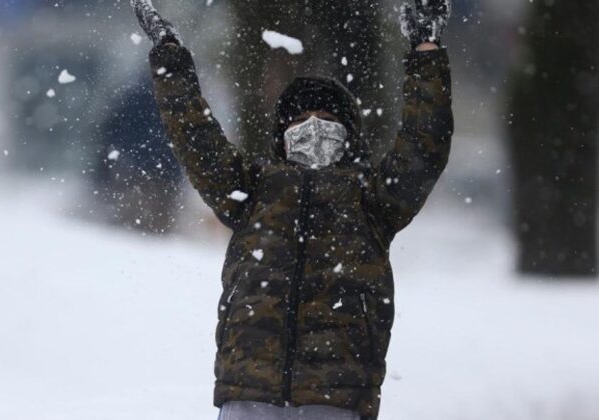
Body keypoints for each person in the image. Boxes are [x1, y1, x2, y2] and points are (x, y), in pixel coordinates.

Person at [130, 1, 453, 419]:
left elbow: (423, 146)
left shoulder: (372, 200)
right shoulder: (252, 190)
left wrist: (426, 52)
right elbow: (197, 139)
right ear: (282, 136)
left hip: (334, 398)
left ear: (350, 135)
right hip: (250, 394)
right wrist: (171, 61)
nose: (314, 126)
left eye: (327, 117)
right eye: (300, 117)